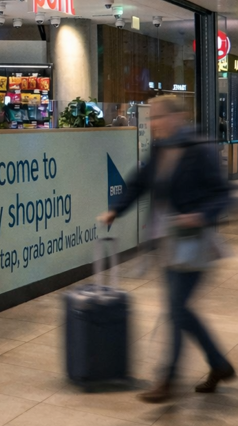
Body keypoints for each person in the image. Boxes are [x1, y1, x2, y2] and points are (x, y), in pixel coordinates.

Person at [100, 95, 235, 403]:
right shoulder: (161, 149)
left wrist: (200, 215)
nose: (153, 124)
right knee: (180, 311)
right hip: (170, 242)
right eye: (152, 119)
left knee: (176, 310)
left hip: (196, 243)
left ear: (176, 118)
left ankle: (169, 379)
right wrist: (115, 210)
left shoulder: (199, 149)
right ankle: (219, 364)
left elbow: (222, 194)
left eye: (158, 118)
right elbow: (139, 183)